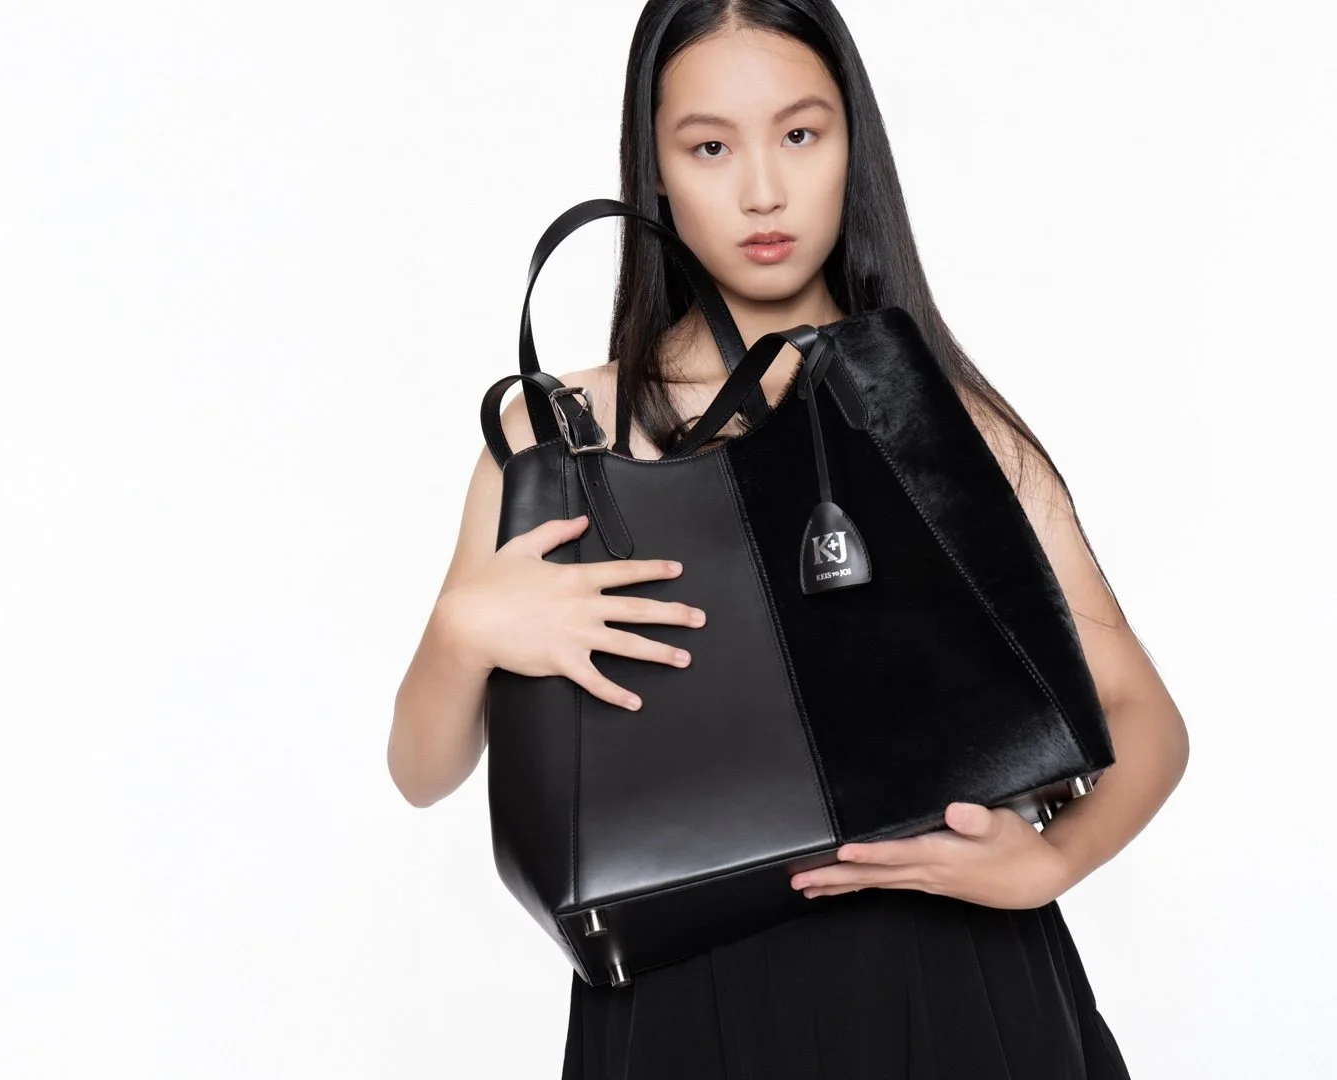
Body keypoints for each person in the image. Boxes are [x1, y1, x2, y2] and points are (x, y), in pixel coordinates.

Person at [388, 1, 1191, 1075]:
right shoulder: (557, 441)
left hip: (949, 980)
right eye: (710, 147)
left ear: (854, 144)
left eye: (800, 134)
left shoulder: (938, 421)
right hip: (682, 1006)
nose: (762, 189)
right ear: (654, 170)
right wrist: (463, 632)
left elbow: (1146, 719)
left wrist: (1048, 865)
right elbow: (422, 771)